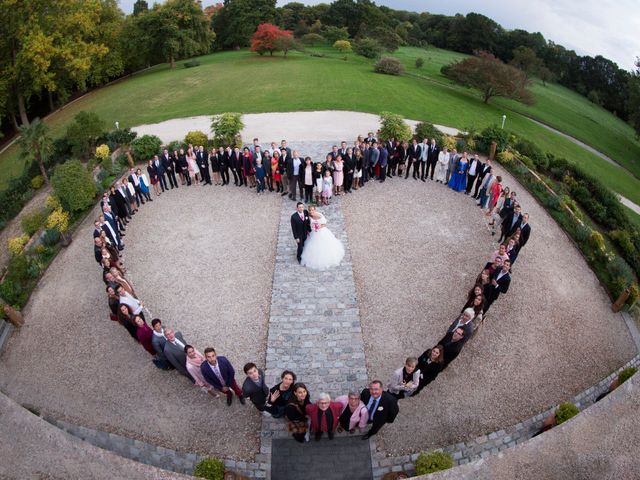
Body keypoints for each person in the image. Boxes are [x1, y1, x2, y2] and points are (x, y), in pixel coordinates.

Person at [300, 205, 345, 270]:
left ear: (315, 210)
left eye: (312, 210)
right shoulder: (308, 215)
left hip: (321, 231)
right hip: (313, 233)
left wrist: (318, 227)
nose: (311, 211)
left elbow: (325, 224)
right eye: (310, 210)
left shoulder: (319, 215)